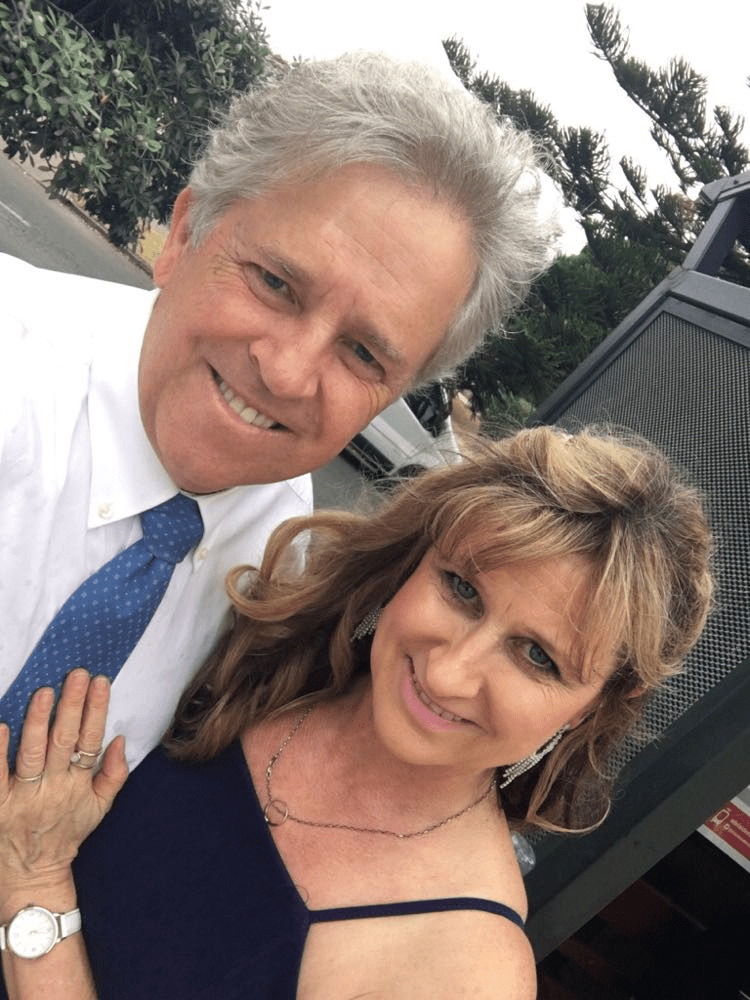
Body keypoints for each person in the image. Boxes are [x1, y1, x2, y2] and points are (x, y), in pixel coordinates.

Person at [0, 426, 714, 1000]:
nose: (449, 672)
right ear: (414, 560)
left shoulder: (464, 971)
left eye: (537, 656)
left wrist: (34, 885)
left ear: (591, 711)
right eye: (462, 589)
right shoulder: (273, 647)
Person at [0, 53, 555, 770]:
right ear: (184, 234)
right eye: (275, 283)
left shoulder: (281, 560)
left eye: (363, 354)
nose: (288, 373)